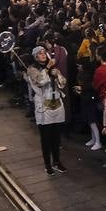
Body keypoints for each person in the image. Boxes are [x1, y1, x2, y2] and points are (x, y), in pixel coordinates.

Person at [26, 45, 69, 177]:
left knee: (56, 137)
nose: (43, 55)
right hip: (43, 107)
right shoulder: (32, 69)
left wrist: (57, 75)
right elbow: (40, 81)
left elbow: (63, 83)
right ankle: (47, 164)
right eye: (40, 53)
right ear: (35, 56)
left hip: (56, 105)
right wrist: (48, 68)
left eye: (44, 52)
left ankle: (56, 161)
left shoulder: (52, 67)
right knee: (46, 138)